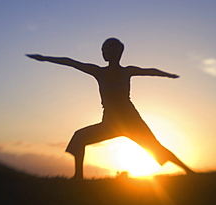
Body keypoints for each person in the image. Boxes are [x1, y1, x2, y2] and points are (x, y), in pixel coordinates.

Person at [27, 38, 194, 179]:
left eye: (106, 50)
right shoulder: (100, 72)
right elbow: (70, 62)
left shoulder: (121, 71)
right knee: (80, 137)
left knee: (155, 147)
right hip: (111, 122)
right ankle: (78, 177)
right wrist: (44, 58)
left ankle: (190, 172)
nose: (103, 53)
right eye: (103, 50)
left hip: (130, 119)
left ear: (116, 52)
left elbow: (149, 71)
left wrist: (167, 75)